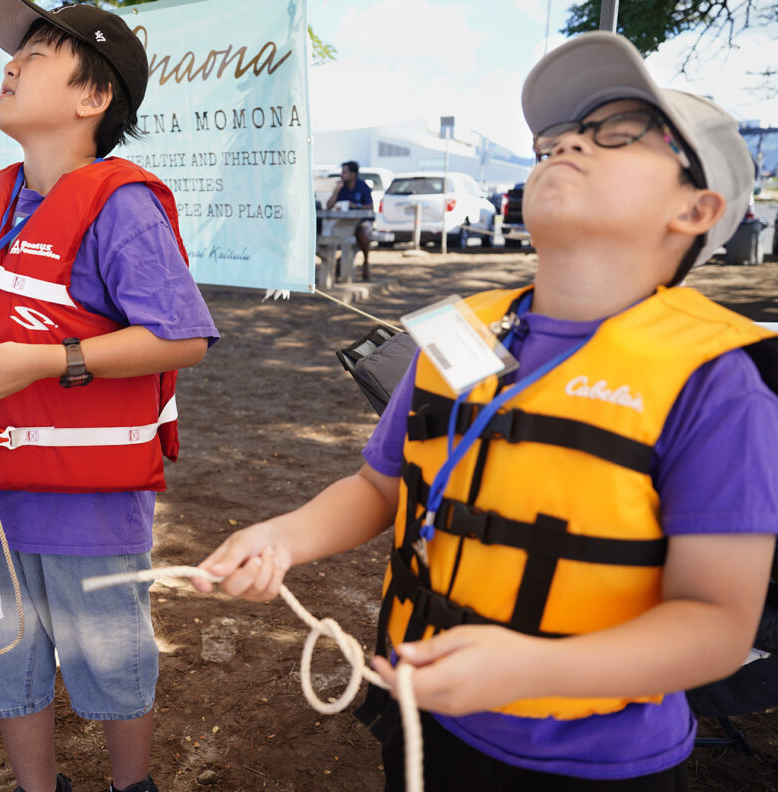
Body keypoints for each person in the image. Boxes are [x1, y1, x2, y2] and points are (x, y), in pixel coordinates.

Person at [194, 31, 778, 791]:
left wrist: (536, 667)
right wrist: (282, 536)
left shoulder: (718, 387)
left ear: (696, 208)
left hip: (599, 767)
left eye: (621, 130)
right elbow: (380, 488)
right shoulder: (460, 326)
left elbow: (718, 627)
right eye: (560, 135)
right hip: (426, 725)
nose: (568, 143)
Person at [0, 2, 218, 791]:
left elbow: (181, 335)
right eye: (15, 55)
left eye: (37, 54)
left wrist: (44, 362)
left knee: (111, 657)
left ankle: (131, 785)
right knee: (4, 654)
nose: (10, 65)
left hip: (91, 503)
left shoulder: (122, 205)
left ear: (93, 98)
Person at [325, 160, 375, 281]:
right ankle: (335, 265)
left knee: (361, 232)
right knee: (331, 234)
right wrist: (337, 190)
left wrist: (356, 206)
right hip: (345, 222)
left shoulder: (362, 186)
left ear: (353, 174)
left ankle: (366, 262)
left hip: (362, 221)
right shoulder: (342, 188)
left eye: (344, 172)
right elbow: (329, 205)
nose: (342, 175)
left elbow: (370, 206)